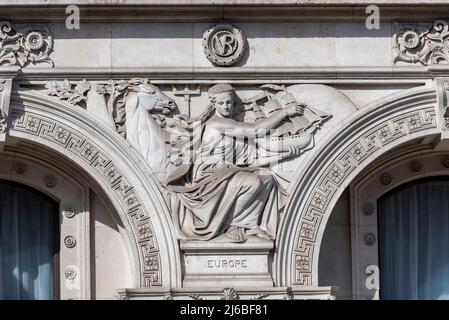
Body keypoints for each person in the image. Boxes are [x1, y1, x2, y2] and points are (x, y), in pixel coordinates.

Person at [164, 83, 304, 242]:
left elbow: (253, 161)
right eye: (221, 103)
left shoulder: (232, 131)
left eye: (229, 102)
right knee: (252, 182)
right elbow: (254, 130)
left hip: (226, 172)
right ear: (214, 103)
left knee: (268, 181)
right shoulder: (217, 123)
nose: (226, 106)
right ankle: (231, 224)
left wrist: (287, 153)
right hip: (209, 175)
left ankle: (250, 224)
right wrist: (284, 112)